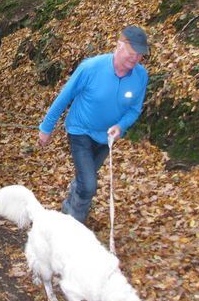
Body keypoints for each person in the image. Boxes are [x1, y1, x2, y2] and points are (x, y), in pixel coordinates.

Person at [38, 26, 150, 223]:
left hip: (106, 138)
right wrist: (46, 128)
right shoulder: (91, 68)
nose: (136, 58)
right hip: (80, 131)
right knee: (89, 185)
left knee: (84, 178)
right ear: (119, 46)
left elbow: (134, 109)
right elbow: (64, 97)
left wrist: (121, 126)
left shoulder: (140, 76)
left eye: (140, 54)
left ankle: (69, 207)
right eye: (132, 53)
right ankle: (73, 224)